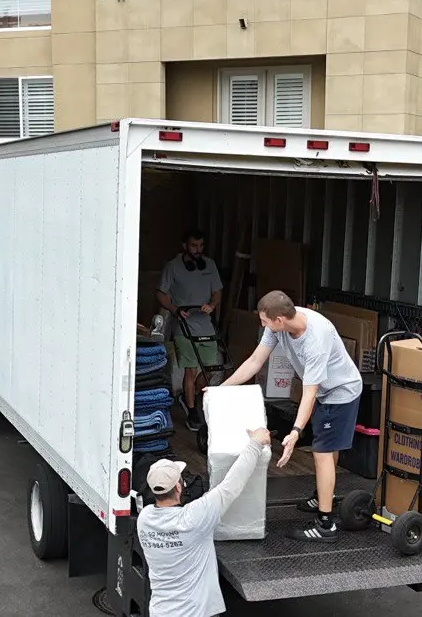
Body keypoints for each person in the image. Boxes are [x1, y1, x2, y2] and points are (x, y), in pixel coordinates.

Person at [219, 291, 362, 543]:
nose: (262, 325)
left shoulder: (315, 339)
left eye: (264, 321)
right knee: (325, 445)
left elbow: (309, 394)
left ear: (279, 320)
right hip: (323, 391)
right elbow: (255, 361)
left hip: (341, 391)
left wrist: (294, 433)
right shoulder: (278, 325)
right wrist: (222, 389)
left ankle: (325, 524)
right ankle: (323, 494)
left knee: (322, 451)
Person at [137, 428, 271, 617]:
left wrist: (208, 501)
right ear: (178, 486)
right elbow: (232, 484)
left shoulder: (144, 519)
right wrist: (256, 443)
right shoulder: (194, 518)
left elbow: (197, 509)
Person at [156, 228, 223, 432]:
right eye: (194, 245)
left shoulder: (209, 265)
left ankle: (191, 396)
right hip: (184, 326)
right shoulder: (173, 267)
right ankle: (192, 410)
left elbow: (217, 291)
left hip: (205, 325)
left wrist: (212, 305)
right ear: (184, 246)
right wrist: (175, 310)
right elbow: (161, 293)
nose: (198, 249)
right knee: (190, 369)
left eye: (201, 245)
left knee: (210, 369)